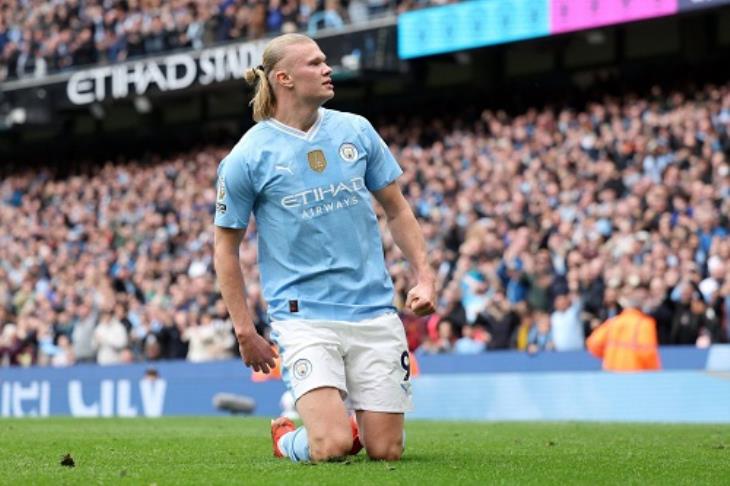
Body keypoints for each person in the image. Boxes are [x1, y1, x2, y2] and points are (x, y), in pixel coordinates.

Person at [213, 33, 436, 463]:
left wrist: (425, 276)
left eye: (324, 61)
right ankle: (289, 440)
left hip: (373, 308)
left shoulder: (355, 130)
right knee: (332, 446)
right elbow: (226, 249)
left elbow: (398, 210)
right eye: (314, 63)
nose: (327, 68)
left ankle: (343, 420)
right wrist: (245, 331)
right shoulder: (247, 156)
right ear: (284, 78)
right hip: (303, 315)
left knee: (385, 451)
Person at [586, 285, 661, 372]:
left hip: (611, 374)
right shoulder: (644, 324)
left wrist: (610, 356)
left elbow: (593, 344)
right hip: (635, 376)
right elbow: (648, 353)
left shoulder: (614, 321)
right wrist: (655, 374)